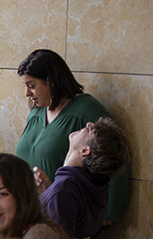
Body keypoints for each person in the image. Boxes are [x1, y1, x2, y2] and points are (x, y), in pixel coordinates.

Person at [15, 48, 131, 225]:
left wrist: (108, 213)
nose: (27, 94)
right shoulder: (37, 112)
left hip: (63, 216)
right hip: (28, 212)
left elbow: (115, 158)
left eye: (31, 86)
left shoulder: (86, 110)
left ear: (51, 81)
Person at [36, 117, 131, 239]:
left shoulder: (64, 191)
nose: (88, 124)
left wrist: (52, 196)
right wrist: (48, 192)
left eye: (90, 130)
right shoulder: (87, 188)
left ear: (85, 150)